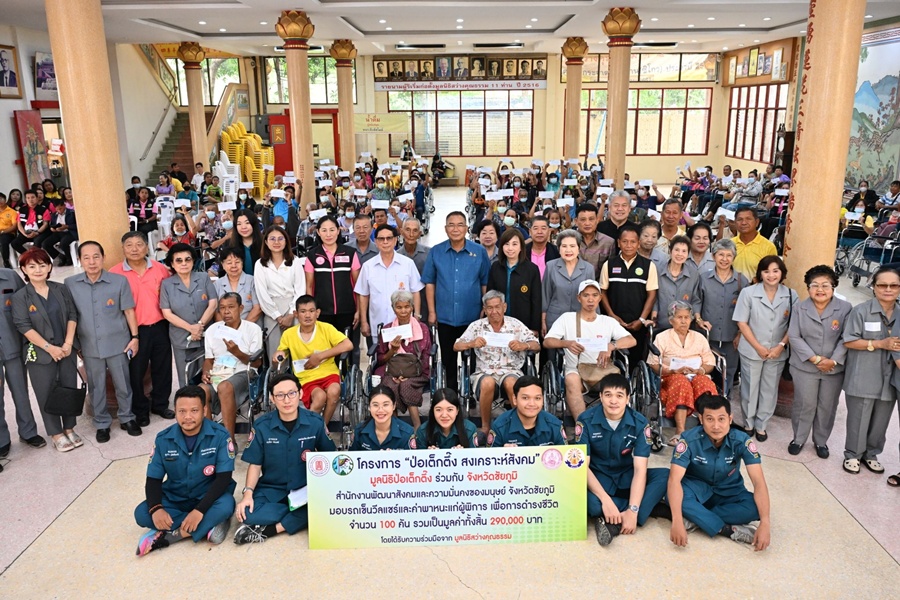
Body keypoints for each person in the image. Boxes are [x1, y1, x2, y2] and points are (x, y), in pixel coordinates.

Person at [234, 373, 336, 544]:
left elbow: (329, 456)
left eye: (291, 393)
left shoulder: (315, 422)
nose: (287, 400)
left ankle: (272, 529)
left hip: (305, 487)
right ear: (272, 398)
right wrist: (247, 493)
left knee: (327, 503)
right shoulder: (261, 426)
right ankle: (300, 515)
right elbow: (255, 464)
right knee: (248, 513)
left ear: (300, 394)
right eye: (280, 395)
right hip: (272, 488)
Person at [134, 386, 236, 556]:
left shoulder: (220, 435)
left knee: (226, 505)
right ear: (175, 411)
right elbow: (153, 479)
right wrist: (156, 508)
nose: (187, 416)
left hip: (208, 498)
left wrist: (200, 510)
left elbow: (224, 479)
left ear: (204, 410)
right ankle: (209, 525)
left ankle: (173, 535)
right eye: (182, 411)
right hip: (176, 498)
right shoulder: (163, 438)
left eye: (194, 410)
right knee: (142, 513)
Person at [668, 394, 771, 551]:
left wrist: (765, 523)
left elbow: (759, 482)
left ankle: (696, 518)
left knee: (755, 508)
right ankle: (726, 530)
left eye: (721, 419)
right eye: (710, 419)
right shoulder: (688, 440)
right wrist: (676, 521)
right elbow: (674, 480)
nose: (716, 426)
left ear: (730, 419)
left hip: (729, 491)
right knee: (675, 494)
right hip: (697, 490)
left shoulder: (742, 440)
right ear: (701, 419)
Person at [576, 373, 669, 546]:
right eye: (608, 395)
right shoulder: (585, 420)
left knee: (665, 475)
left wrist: (632, 510)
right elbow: (582, 467)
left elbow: (640, 469)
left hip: (626, 476)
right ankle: (648, 508)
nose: (613, 401)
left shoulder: (640, 423)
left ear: (627, 399)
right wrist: (605, 500)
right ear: (600, 397)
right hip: (598, 478)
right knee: (591, 504)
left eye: (619, 396)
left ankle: (624, 517)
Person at [66, 241, 141, 443]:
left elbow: (129, 311)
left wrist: (135, 338)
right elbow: (70, 316)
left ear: (103, 257)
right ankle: (102, 423)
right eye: (86, 258)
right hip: (89, 345)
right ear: (80, 260)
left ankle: (127, 418)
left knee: (123, 383)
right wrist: (75, 344)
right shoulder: (70, 284)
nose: (92, 262)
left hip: (118, 343)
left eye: (96, 256)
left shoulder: (119, 281)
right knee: (96, 386)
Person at [11, 248, 81, 452]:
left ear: (50, 267)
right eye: (32, 266)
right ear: (24, 269)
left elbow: (72, 315)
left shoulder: (61, 289)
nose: (38, 270)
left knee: (69, 387)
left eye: (42, 265)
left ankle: (69, 428)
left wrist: (68, 343)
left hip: (66, 350)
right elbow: (23, 326)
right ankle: (56, 433)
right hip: (40, 353)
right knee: (45, 392)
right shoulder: (21, 297)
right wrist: (50, 348)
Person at [544, 280, 635, 420]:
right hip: (576, 369)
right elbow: (547, 341)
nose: (590, 299)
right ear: (579, 298)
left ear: (600, 298)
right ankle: (582, 425)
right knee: (571, 379)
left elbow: (631, 340)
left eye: (594, 295)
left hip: (603, 369)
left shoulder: (608, 321)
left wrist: (611, 346)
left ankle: (613, 423)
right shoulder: (567, 319)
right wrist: (566, 343)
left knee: (617, 383)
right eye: (586, 295)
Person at [110, 231, 174, 425]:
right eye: (129, 245)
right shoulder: (114, 273)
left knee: (163, 367)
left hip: (160, 325)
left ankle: (160, 404)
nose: (134, 249)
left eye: (139, 244)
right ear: (123, 249)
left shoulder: (160, 269)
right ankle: (140, 410)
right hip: (133, 331)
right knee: (135, 371)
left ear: (147, 247)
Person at [786, 265, 851, 458]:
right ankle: (798, 439)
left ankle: (821, 441)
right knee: (804, 404)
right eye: (814, 285)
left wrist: (833, 360)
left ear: (833, 287)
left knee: (827, 406)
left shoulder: (845, 308)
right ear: (808, 288)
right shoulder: (799, 307)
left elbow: (847, 337)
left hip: (833, 369)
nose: (820, 290)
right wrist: (815, 359)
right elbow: (794, 336)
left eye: (825, 285)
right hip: (804, 367)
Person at [422, 211, 491, 391]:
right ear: (445, 229)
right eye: (451, 225)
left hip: (473, 317)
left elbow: (485, 282)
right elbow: (430, 283)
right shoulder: (436, 252)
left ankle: (471, 394)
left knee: (474, 359)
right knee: (448, 359)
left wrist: (486, 308)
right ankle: (451, 394)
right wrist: (432, 312)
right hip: (445, 316)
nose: (455, 229)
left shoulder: (479, 252)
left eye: (460, 225)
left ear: (467, 228)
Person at [840, 266, 900, 475]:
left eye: (893, 285)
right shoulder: (861, 311)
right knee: (859, 418)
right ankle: (853, 455)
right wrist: (879, 344)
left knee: (880, 422)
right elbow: (849, 341)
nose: (888, 289)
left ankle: (871, 454)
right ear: (873, 286)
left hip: (890, 379)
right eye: (882, 285)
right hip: (863, 376)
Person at [454, 291, 540, 433]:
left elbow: (536, 345)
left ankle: (520, 426)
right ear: (485, 309)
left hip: (511, 370)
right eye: (490, 308)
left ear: (504, 307)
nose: (494, 311)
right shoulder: (477, 326)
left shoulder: (516, 325)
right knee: (487, 382)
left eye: (497, 307)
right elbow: (456, 346)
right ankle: (485, 427)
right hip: (484, 372)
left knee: (511, 382)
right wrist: (471, 343)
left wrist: (524, 345)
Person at [733, 256, 794, 441]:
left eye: (775, 271)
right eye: (766, 271)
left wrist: (781, 346)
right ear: (760, 273)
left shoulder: (791, 294)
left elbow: (794, 325)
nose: (771, 275)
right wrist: (758, 347)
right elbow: (742, 323)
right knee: (749, 388)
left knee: (769, 389)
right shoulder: (748, 292)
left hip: (777, 352)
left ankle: (762, 425)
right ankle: (748, 424)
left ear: (782, 273)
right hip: (752, 349)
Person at [274, 295, 353, 424]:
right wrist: (279, 355)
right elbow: (282, 352)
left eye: (311, 311)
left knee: (334, 391)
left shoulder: (326, 328)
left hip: (329, 373)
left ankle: (322, 427)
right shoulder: (289, 334)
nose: (307, 315)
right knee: (320, 397)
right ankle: (310, 428)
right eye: (303, 311)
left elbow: (348, 344)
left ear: (318, 313)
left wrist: (320, 356)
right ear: (296, 314)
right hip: (306, 377)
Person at [648, 301, 718, 439]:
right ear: (671, 320)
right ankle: (680, 432)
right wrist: (672, 371)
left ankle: (710, 429)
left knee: (704, 384)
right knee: (681, 383)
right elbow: (653, 364)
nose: (684, 321)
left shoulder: (699, 338)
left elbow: (710, 362)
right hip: (670, 377)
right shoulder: (662, 338)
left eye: (687, 317)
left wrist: (700, 370)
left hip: (697, 374)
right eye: (679, 317)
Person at [199, 292, 262, 442]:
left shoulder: (252, 329)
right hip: (218, 372)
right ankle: (211, 440)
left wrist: (237, 352)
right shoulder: (213, 330)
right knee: (201, 390)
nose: (226, 312)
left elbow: (256, 363)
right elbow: (209, 360)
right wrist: (206, 372)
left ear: (240, 308)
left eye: (231, 307)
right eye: (222, 308)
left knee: (225, 387)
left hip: (243, 371)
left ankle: (229, 441)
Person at [0, 267, 44, 458]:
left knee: (21, 391)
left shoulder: (9, 276)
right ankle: (2, 440)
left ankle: (28, 432)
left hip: (13, 345)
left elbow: (25, 301)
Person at [160, 244, 217, 388]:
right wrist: (191, 328)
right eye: (178, 260)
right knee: (186, 379)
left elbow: (213, 303)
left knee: (208, 376)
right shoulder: (166, 284)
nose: (184, 263)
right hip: (181, 338)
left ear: (193, 261)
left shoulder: (203, 277)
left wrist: (199, 326)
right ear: (172, 264)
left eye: (187, 259)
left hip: (206, 335)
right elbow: (167, 313)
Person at [696, 239, 747, 396]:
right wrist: (699, 320)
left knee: (729, 370)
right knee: (706, 370)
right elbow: (697, 301)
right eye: (721, 255)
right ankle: (707, 400)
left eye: (729, 255)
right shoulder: (703, 278)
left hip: (732, 335)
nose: (725, 259)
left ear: (734, 257)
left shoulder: (741, 281)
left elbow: (747, 310)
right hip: (707, 335)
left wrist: (740, 333)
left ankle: (725, 400)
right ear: (713, 256)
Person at [600, 224, 658, 362]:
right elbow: (602, 292)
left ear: (638, 243)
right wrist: (612, 316)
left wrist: (641, 320)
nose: (629, 245)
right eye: (625, 241)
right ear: (618, 243)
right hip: (614, 323)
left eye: (633, 242)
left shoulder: (648, 265)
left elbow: (652, 295)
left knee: (636, 360)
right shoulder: (609, 264)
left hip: (638, 324)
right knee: (613, 361)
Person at [374, 290, 431, 429]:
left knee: (406, 386)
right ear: (393, 308)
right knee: (389, 387)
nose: (403, 311)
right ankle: (394, 426)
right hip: (391, 371)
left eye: (407, 307)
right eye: (399, 307)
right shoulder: (388, 329)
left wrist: (409, 374)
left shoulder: (422, 328)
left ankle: (417, 427)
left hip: (416, 372)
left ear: (412, 307)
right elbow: (381, 359)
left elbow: (426, 356)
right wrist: (393, 350)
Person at [356, 224, 423, 341]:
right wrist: (364, 322)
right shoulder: (368, 266)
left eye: (389, 238)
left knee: (403, 352)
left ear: (395, 240)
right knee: (378, 352)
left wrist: (416, 316)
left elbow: (416, 291)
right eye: (381, 239)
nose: (385, 242)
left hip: (404, 325)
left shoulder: (408, 264)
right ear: (376, 242)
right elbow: (363, 295)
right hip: (378, 324)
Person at [305, 215, 360, 334]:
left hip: (347, 311)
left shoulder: (350, 253)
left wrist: (359, 310)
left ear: (338, 231)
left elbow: (358, 285)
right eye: (324, 230)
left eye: (332, 230)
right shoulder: (312, 255)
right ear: (318, 232)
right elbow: (309, 286)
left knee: (346, 344)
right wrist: (312, 311)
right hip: (322, 312)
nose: (328, 234)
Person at [254, 225, 304, 357]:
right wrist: (278, 316)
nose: (276, 242)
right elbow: (262, 293)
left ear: (286, 241)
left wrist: (291, 314)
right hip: (271, 311)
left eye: (280, 238)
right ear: (266, 242)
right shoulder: (260, 264)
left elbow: (300, 290)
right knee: (276, 353)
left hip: (293, 309)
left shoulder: (295, 261)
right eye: (272, 239)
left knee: (297, 352)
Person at [488, 228, 542, 335]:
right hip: (498, 323)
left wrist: (534, 327)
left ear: (521, 247)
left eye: (514, 244)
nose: (510, 248)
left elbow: (536, 301)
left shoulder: (532, 269)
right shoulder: (495, 267)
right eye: (506, 244)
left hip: (523, 324)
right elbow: (490, 296)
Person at [488, 375, 566, 447]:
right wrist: (501, 453)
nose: (532, 404)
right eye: (525, 398)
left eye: (537, 398)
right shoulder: (500, 426)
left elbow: (566, 454)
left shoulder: (554, 425)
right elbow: (489, 456)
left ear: (543, 400)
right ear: (515, 399)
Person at [543, 229, 594, 336]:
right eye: (564, 246)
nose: (568, 250)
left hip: (581, 320)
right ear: (559, 249)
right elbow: (545, 295)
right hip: (555, 319)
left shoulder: (588, 269)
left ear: (578, 248)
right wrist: (543, 320)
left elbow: (593, 297)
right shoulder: (550, 266)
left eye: (572, 246)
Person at [652, 236, 701, 332]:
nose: (680, 254)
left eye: (684, 251)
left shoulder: (694, 274)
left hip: (685, 327)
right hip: (661, 326)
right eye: (677, 250)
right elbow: (655, 299)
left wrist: (699, 320)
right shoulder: (657, 271)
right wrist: (653, 319)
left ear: (688, 254)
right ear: (670, 251)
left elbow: (695, 300)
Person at [350, 385, 416, 450]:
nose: (380, 410)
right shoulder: (359, 431)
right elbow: (351, 456)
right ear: (369, 407)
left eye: (385, 405)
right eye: (375, 405)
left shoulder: (407, 433)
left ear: (394, 406)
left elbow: (413, 457)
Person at [415, 389, 480, 449]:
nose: (444, 415)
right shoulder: (422, 431)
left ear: (457, 410)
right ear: (433, 411)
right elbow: (418, 457)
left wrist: (462, 454)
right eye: (438, 410)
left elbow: (474, 456)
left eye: (450, 410)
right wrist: (427, 455)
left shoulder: (470, 429)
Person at [214, 246, 261, 324]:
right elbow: (215, 312)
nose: (234, 266)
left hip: (251, 326)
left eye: (237, 262)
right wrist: (228, 328)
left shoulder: (252, 281)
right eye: (229, 263)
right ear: (223, 265)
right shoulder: (217, 284)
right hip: (225, 329)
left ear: (242, 263)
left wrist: (242, 327)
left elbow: (257, 308)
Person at [732, 206, 777, 282]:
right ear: (735, 223)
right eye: (740, 219)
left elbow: (772, 274)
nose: (744, 223)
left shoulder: (768, 247)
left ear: (757, 222)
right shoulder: (730, 244)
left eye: (748, 219)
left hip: (757, 288)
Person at [575, 204, 615, 278]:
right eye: (583, 219)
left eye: (591, 219)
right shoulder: (568, 241)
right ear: (576, 221)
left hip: (598, 284)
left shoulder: (608, 242)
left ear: (597, 220)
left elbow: (610, 270)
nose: (587, 223)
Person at [11, 190, 52, 256]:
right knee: (14, 243)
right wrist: (24, 234)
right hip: (26, 232)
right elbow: (19, 224)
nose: (30, 200)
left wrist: (37, 232)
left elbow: (45, 224)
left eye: (32, 197)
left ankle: (36, 258)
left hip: (40, 232)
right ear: (26, 199)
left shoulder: (44, 210)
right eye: (28, 198)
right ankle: (29, 256)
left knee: (37, 242)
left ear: (37, 198)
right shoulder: (21, 210)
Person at [525, 215, 559, 281]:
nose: (539, 232)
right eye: (535, 228)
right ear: (530, 232)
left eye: (543, 228)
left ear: (549, 231)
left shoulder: (557, 252)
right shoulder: (522, 252)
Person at [0, 192, 18, 268]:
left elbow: (14, 226)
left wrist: (3, 232)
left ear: (5, 200)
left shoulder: (12, 212)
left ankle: (6, 262)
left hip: (9, 233)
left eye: (1, 199)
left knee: (3, 241)